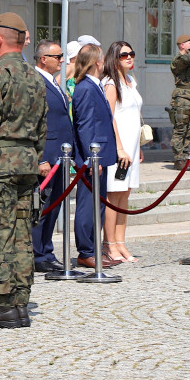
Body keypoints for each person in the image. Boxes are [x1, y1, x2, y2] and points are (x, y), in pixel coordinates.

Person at [0, 12, 48, 328]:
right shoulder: (35, 77)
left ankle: (4, 305)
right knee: (21, 236)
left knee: (0, 235)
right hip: (27, 165)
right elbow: (43, 128)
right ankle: (20, 303)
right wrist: (32, 158)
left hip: (0, 167)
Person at [70, 43, 120, 270]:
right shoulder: (86, 88)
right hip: (93, 159)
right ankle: (86, 251)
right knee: (87, 206)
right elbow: (86, 125)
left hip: (102, 156)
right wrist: (92, 158)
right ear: (96, 62)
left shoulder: (95, 85)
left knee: (97, 206)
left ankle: (93, 249)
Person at [31, 40, 74, 273]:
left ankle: (46, 251)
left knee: (53, 206)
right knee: (42, 207)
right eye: (57, 56)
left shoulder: (54, 82)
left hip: (60, 156)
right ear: (43, 59)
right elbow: (35, 122)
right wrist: (40, 158)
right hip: (47, 155)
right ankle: (37, 254)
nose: (61, 60)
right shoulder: (36, 82)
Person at [102, 41, 143, 263]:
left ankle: (121, 242)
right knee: (113, 195)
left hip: (132, 147)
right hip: (119, 149)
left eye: (131, 53)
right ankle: (109, 244)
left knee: (124, 195)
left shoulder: (130, 81)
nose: (129, 57)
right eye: (123, 55)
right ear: (114, 58)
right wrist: (118, 148)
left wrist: (138, 149)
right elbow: (110, 117)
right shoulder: (110, 83)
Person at [170, 34, 190, 170]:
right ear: (182, 45)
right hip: (182, 100)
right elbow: (187, 58)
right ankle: (178, 159)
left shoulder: (189, 62)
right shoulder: (179, 61)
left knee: (189, 131)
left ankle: (185, 157)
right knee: (180, 130)